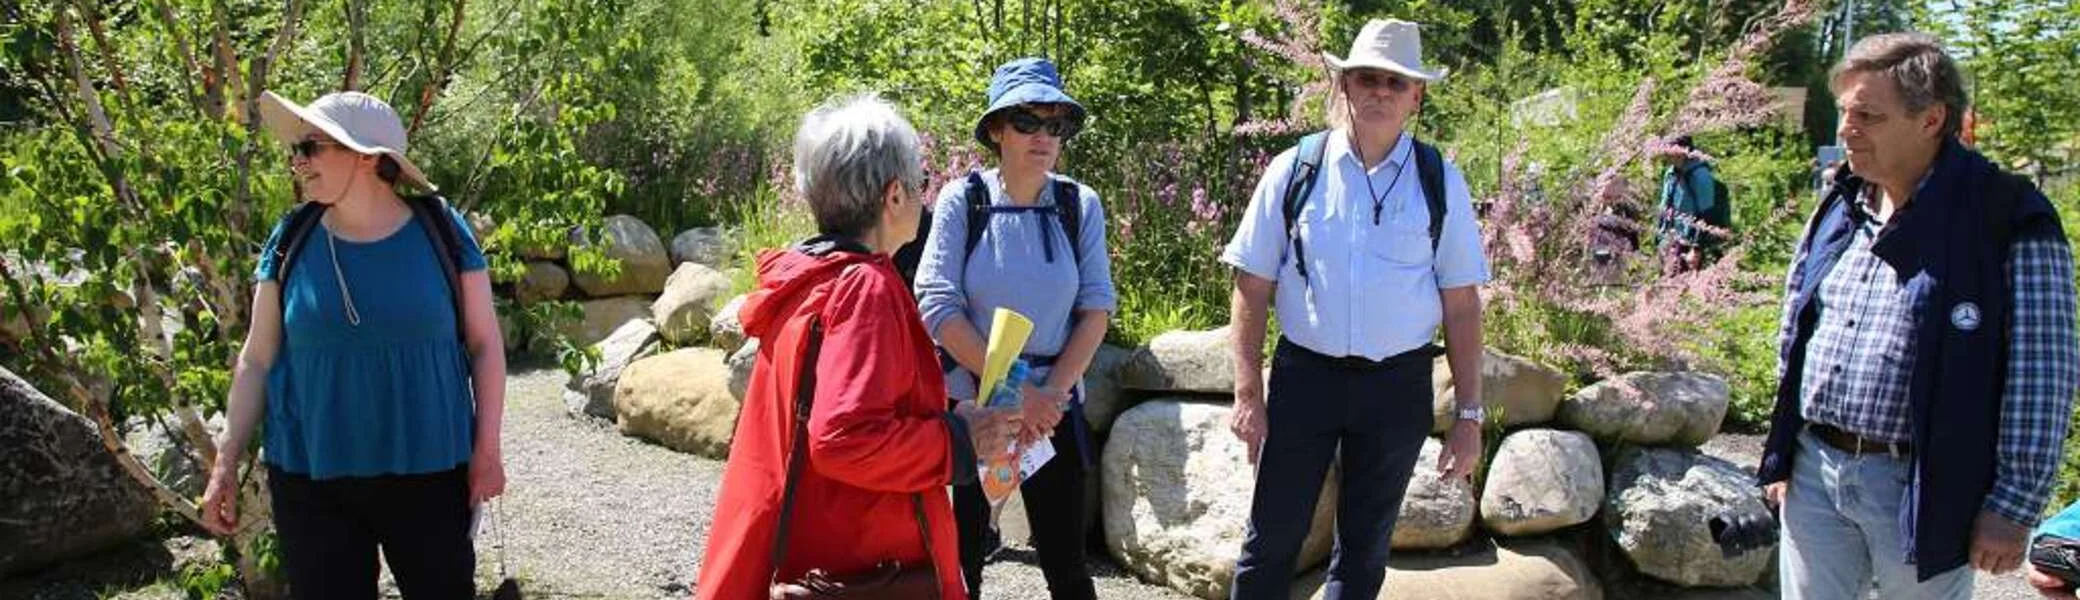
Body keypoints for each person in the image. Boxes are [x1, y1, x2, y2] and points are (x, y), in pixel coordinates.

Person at [1756, 33, 2078, 599]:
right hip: (1815, 474)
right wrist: (1784, 452)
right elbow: (1795, 330)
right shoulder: (1841, 203)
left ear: (1931, 120)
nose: (1845, 130)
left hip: (1923, 484)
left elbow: (2042, 374)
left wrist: (2014, 504)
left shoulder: (2008, 217)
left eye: (1868, 116)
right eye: (1844, 112)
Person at [695, 94, 1022, 600]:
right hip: (859, 568)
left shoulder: (805, 280)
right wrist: (960, 439)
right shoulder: (863, 288)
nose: (924, 199)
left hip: (803, 555)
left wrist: (946, 412)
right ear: (893, 197)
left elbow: (838, 411)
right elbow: (845, 438)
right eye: (920, 185)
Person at [197, 91, 508, 599]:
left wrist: (487, 448)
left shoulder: (442, 231)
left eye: (311, 146)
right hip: (312, 474)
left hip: (429, 468)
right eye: (296, 147)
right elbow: (256, 358)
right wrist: (225, 461)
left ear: (366, 156)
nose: (297, 159)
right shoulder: (290, 238)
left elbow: (484, 345)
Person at [1220, 18, 1490, 600]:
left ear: (1417, 94)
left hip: (1398, 386)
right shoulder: (1296, 170)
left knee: (1364, 555)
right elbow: (1251, 284)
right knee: (1270, 542)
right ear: (1345, 84)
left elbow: (1462, 305)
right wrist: (1248, 393)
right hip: (1305, 379)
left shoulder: (1439, 180)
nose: (1381, 91)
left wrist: (1469, 417)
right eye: (1368, 77)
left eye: (1396, 82)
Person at [913, 56, 1115, 600]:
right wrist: (1018, 391)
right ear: (997, 130)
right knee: (961, 564)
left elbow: (1096, 310)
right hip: (975, 405)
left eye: (1055, 124)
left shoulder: (1079, 205)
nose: (1043, 136)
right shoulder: (964, 200)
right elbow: (935, 304)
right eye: (1026, 121)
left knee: (1068, 568)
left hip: (1051, 410)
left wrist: (1047, 396)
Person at [1654, 135, 1728, 273]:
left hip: (1688, 245)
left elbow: (1707, 215)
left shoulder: (1700, 175)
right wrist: (1660, 240)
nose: (1665, 152)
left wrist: (1696, 250)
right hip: (1669, 242)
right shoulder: (1670, 174)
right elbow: (1665, 207)